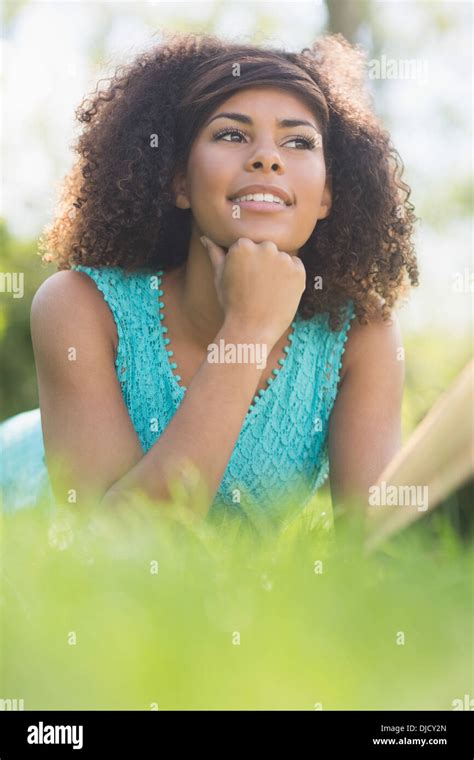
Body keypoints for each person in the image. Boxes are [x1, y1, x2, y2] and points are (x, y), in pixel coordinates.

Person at [0, 32, 419, 532]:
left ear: (327, 194)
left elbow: (375, 549)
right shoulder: (80, 304)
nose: (268, 158)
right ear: (178, 180)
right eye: (232, 135)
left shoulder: (360, 334)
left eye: (298, 141)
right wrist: (246, 331)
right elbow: (112, 550)